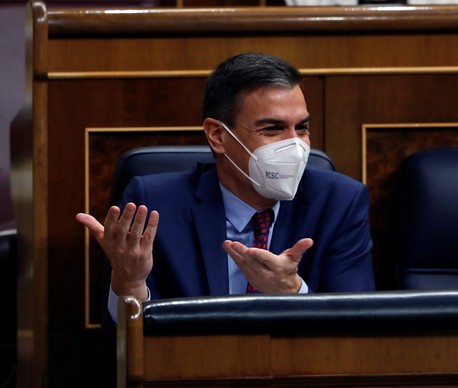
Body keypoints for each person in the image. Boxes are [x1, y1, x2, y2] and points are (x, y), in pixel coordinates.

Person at [76, 52, 375, 384]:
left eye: (301, 128)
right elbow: (117, 363)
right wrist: (129, 286)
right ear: (218, 135)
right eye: (273, 129)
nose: (296, 146)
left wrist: (294, 295)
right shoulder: (155, 203)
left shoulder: (340, 201)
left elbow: (358, 339)